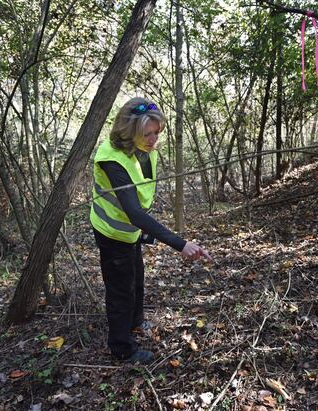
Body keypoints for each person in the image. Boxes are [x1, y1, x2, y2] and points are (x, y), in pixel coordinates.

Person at [90, 97, 212, 364]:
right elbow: (133, 211)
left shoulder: (144, 149)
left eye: (157, 132)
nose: (154, 139)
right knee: (121, 290)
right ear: (129, 130)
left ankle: (135, 323)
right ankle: (122, 348)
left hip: (131, 231)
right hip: (112, 233)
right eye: (148, 134)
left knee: (136, 280)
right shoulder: (112, 159)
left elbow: (140, 197)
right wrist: (181, 244)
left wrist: (143, 232)